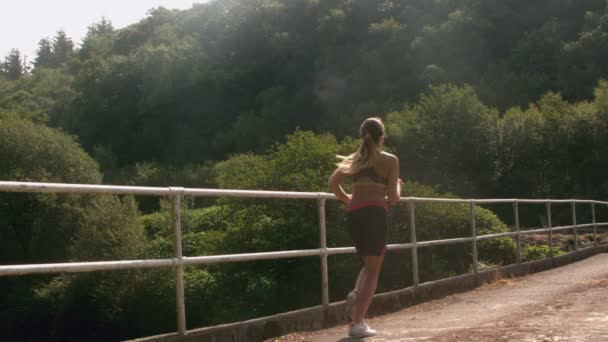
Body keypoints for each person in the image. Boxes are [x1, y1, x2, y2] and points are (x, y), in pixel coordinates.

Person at [328, 117, 401, 338]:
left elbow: (332, 184)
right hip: (375, 214)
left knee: (368, 264)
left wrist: (348, 200)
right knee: (373, 269)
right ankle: (357, 323)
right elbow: (394, 198)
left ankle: (356, 294)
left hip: (354, 215)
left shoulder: (355, 159)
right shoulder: (390, 160)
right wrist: (398, 185)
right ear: (382, 137)